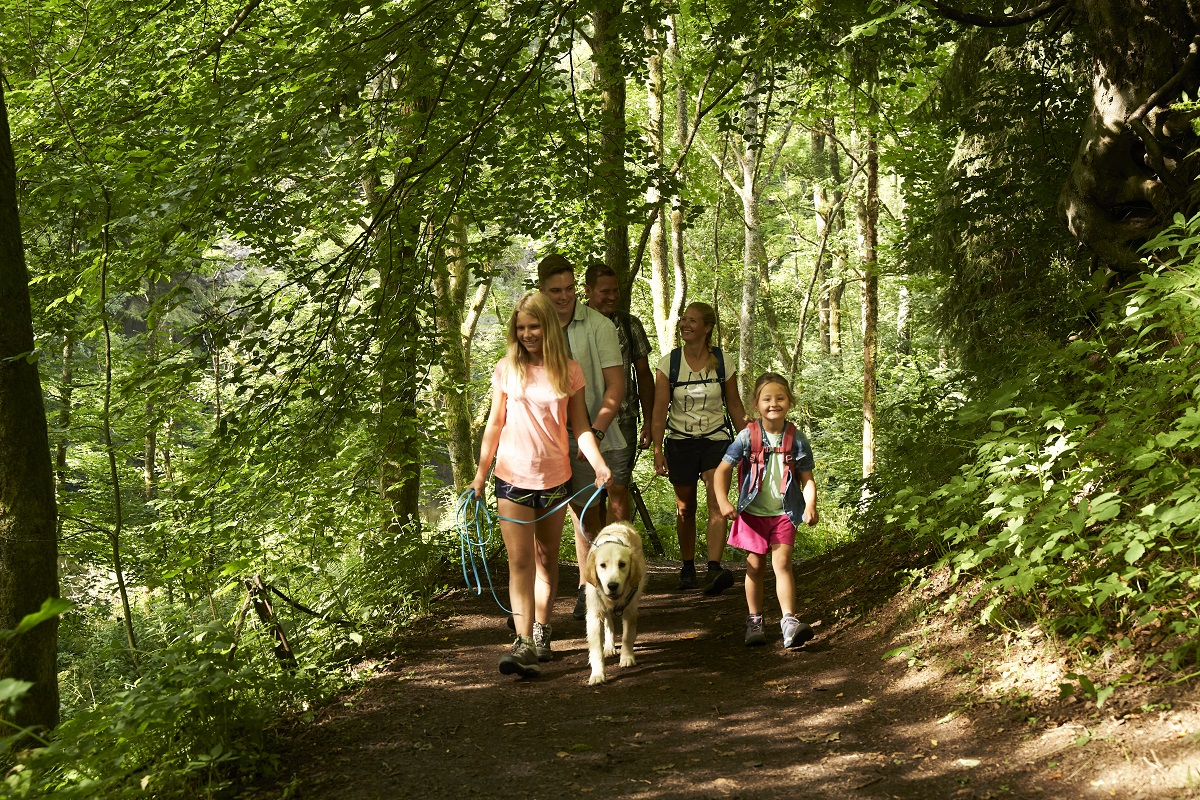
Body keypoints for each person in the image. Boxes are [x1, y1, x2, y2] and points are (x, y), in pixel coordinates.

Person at [469, 291, 612, 678]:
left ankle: (542, 630)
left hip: (555, 478)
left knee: (548, 560)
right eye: (520, 327)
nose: (527, 333)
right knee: (520, 563)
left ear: (547, 327)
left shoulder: (570, 371)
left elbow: (580, 427)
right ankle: (522, 643)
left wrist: (598, 464)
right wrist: (480, 476)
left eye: (533, 326)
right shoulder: (506, 369)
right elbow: (494, 424)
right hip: (511, 478)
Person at [536, 254, 626, 621]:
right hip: (549, 439)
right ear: (542, 290)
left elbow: (615, 386)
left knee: (601, 511)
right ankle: (585, 587)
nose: (564, 296)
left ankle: (609, 585)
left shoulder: (599, 325)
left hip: (596, 432)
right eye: (555, 290)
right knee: (576, 515)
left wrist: (598, 430)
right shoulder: (534, 325)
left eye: (570, 289)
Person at [713, 372, 818, 648]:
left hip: (784, 513)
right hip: (752, 514)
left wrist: (810, 506)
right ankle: (755, 619)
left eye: (780, 398)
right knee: (755, 566)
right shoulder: (747, 437)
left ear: (789, 401)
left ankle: (789, 621)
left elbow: (807, 479)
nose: (774, 403)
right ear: (756, 404)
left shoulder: (797, 439)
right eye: (767, 398)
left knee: (782, 564)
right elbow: (722, 470)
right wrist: (723, 502)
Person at [651, 301, 747, 594]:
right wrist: (658, 449)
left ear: (707, 328)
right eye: (683, 320)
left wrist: (752, 440)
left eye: (692, 321)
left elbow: (734, 405)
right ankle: (688, 566)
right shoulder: (669, 364)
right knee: (685, 509)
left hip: (717, 441)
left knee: (717, 501)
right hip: (680, 443)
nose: (685, 324)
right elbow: (658, 410)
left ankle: (714, 569)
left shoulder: (723, 361)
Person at [583, 262, 655, 524]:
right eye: (605, 291)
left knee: (618, 487)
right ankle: (596, 553)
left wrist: (649, 421)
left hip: (623, 418)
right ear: (588, 290)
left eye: (616, 291)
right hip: (583, 421)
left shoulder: (628, 323)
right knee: (591, 492)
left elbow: (644, 374)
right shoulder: (576, 323)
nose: (612, 296)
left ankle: (618, 550)